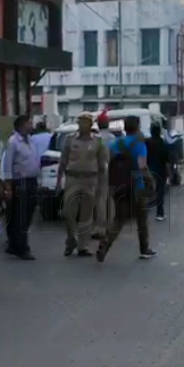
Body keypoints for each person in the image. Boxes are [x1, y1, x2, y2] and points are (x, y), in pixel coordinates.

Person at [98, 116, 156, 262]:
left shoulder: (116, 143)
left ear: (125, 128)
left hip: (118, 185)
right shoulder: (139, 143)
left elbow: (109, 162)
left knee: (118, 219)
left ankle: (106, 243)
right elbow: (142, 166)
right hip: (136, 185)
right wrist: (150, 180)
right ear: (137, 127)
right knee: (141, 218)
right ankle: (144, 248)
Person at [56, 113, 107, 257]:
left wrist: (102, 185)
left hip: (91, 179)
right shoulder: (70, 140)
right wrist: (59, 180)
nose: (82, 125)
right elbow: (63, 161)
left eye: (85, 122)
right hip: (73, 178)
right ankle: (71, 239)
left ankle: (82, 246)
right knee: (68, 212)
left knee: (87, 214)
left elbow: (102, 164)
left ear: (91, 124)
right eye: (80, 122)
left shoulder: (98, 141)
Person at [0, 115, 40, 260]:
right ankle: (22, 248)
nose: (31, 125)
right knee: (21, 215)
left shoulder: (31, 140)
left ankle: (15, 243)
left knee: (29, 213)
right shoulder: (13, 142)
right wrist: (8, 186)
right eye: (29, 123)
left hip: (32, 180)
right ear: (22, 125)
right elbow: (7, 164)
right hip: (20, 181)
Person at [93, 111, 116, 240]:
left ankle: (100, 228)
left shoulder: (96, 138)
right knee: (110, 199)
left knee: (100, 199)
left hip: (99, 170)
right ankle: (110, 226)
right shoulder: (113, 138)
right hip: (111, 169)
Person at [145, 123, 171, 221]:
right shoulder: (162, 143)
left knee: (148, 191)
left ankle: (145, 211)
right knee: (160, 191)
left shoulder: (147, 142)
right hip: (161, 170)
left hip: (148, 169)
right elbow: (167, 159)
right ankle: (159, 213)